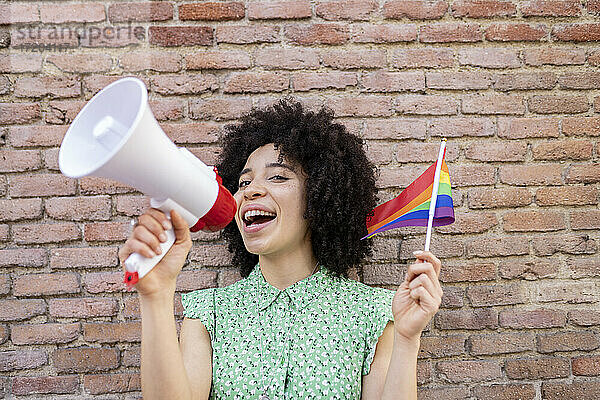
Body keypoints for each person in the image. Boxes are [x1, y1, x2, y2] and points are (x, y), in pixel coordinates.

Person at [119, 98, 443, 400]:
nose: (251, 191)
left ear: (319, 197)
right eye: (244, 182)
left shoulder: (372, 312)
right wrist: (156, 295)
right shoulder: (210, 312)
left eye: (277, 177)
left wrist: (406, 339)